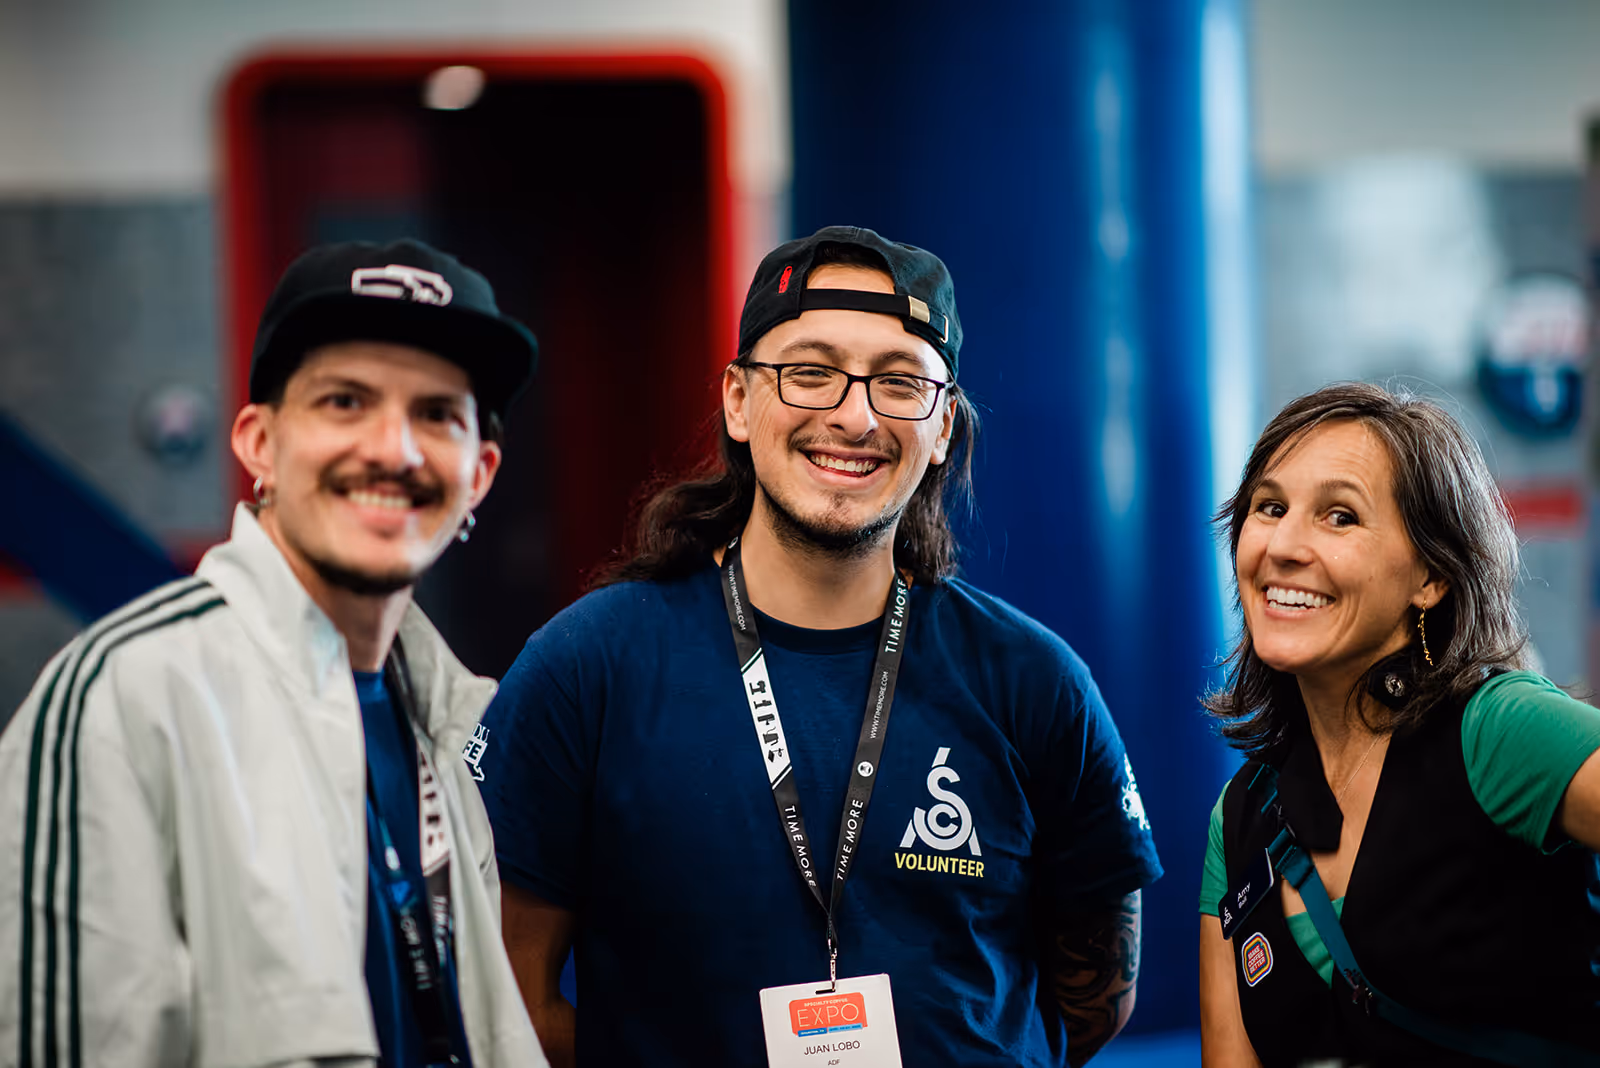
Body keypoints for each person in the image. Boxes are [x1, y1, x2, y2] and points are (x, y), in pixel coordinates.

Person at [476, 225, 1162, 1068]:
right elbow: (506, 988)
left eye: (900, 382)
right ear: (737, 400)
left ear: (942, 425)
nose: (854, 415)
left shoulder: (1034, 680)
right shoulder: (587, 668)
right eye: (810, 372)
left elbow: (1096, 993)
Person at [0, 239, 549, 1067]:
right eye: (345, 402)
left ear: (480, 473)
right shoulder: (128, 694)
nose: (393, 449)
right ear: (259, 444)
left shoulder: (456, 724)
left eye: (437, 414)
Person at [1197, 382, 1600, 1067]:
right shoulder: (1240, 821)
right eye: (1270, 507)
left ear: (1430, 577)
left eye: (1340, 517)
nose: (1284, 545)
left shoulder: (1499, 731)